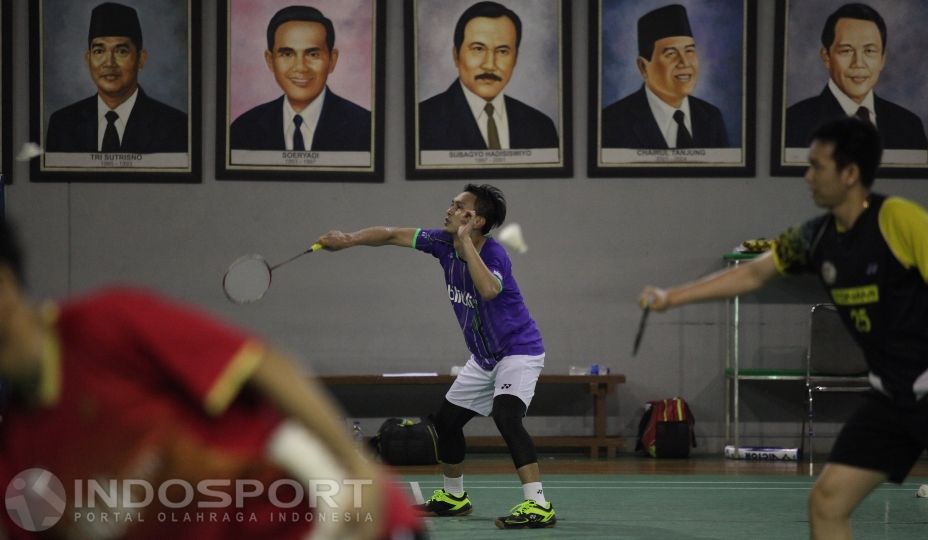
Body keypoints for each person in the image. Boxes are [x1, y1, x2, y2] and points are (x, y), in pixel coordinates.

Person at [639, 117, 928, 539]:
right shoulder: (815, 237)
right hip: (894, 395)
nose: (807, 176)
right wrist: (672, 297)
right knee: (827, 504)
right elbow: (754, 274)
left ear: (849, 174)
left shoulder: (897, 218)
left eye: (816, 166)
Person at [0, 221, 423, 539]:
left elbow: (267, 366)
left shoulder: (105, 325)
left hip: (338, 519)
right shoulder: (17, 461)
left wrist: (358, 470)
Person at [317, 184, 557, 529]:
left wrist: (465, 243)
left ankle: (538, 504)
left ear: (477, 220)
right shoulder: (439, 242)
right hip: (484, 357)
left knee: (506, 416)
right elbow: (391, 235)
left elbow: (489, 290)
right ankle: (453, 497)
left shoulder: (494, 254)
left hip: (518, 350)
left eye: (459, 207)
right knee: (445, 423)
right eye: (452, 204)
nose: (448, 209)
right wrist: (348, 238)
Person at [45, 2, 188, 154]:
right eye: (99, 51)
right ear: (88, 59)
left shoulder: (175, 126)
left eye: (121, 51)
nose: (109, 63)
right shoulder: (62, 125)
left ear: (141, 59)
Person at [785, 3, 928, 150]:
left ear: (882, 59)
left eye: (869, 51)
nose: (858, 63)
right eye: (846, 51)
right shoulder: (794, 122)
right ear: (826, 57)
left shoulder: (909, 126)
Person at [418, 1, 558, 151]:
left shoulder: (541, 127)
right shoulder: (422, 121)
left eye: (502, 51)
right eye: (478, 49)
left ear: (515, 59)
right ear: (456, 55)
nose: (490, 65)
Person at [230, 5, 371, 152]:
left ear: (332, 60)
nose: (300, 67)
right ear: (270, 60)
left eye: (313, 54)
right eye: (287, 54)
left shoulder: (365, 127)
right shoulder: (244, 128)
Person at [602, 4, 729, 149]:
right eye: (671, 53)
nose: (684, 62)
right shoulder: (611, 122)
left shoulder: (711, 116)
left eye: (689, 51)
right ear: (643, 67)